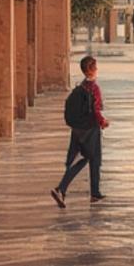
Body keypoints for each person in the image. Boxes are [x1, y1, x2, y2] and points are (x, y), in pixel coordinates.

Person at [50, 54, 108, 207]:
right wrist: (103, 122)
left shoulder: (81, 86)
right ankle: (61, 188)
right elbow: (96, 109)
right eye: (95, 67)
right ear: (91, 70)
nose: (97, 70)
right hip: (90, 129)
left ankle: (94, 192)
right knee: (90, 158)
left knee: (83, 158)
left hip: (77, 128)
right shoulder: (94, 88)